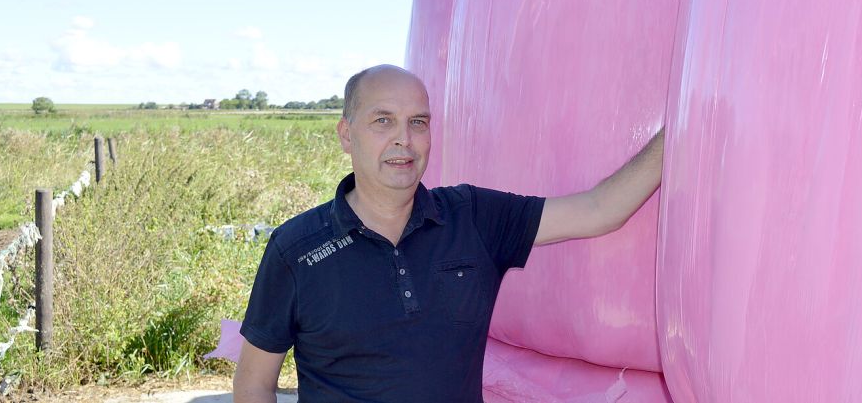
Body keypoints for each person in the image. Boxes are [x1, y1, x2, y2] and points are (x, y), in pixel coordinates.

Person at [233, 64, 664, 403]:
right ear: (347, 135)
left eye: (418, 122)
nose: (404, 139)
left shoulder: (472, 218)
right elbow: (254, 384)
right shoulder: (297, 251)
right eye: (383, 121)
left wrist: (685, 123)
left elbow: (598, 210)